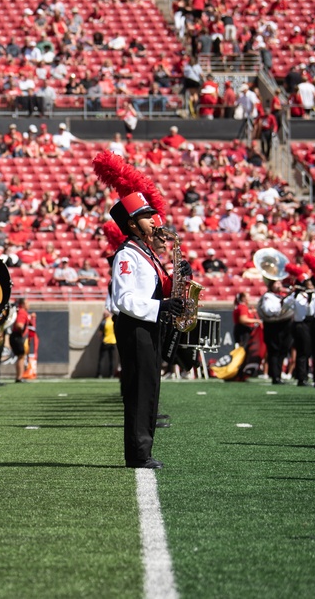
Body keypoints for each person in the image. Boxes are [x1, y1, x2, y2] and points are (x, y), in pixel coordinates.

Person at [108, 191, 191, 469]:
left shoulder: (146, 253)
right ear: (132, 224)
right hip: (136, 326)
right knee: (140, 390)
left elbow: (156, 289)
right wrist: (162, 307)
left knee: (150, 387)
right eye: (145, 216)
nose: (153, 221)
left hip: (149, 324)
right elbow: (123, 299)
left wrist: (181, 278)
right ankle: (137, 453)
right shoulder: (127, 255)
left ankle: (143, 451)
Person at [257, 277, 295, 384]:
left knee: (283, 350)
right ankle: (275, 376)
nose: (279, 285)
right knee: (274, 351)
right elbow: (270, 311)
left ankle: (279, 374)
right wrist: (284, 303)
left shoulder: (281, 296)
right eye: (276, 283)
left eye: (280, 283)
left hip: (285, 326)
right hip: (273, 326)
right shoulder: (268, 297)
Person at [10, 298, 32, 382]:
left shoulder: (22, 312)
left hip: (16, 336)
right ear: (22, 304)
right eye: (27, 303)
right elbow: (19, 325)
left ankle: (19, 377)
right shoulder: (22, 312)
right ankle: (19, 377)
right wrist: (22, 331)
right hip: (17, 336)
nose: (29, 305)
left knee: (21, 356)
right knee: (21, 356)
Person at [97, 310, 117, 379]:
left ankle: (99, 374)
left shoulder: (104, 322)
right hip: (113, 342)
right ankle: (111, 374)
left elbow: (100, 333)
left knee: (101, 359)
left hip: (106, 341)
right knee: (112, 359)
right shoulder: (113, 322)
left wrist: (100, 340)